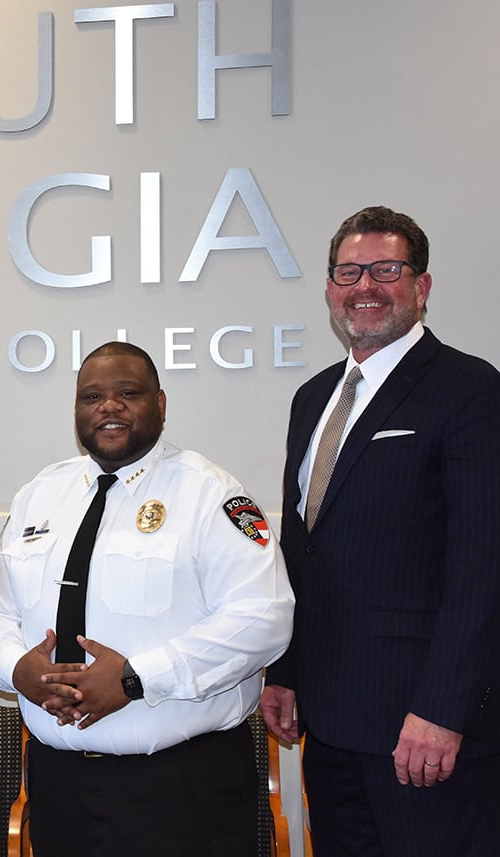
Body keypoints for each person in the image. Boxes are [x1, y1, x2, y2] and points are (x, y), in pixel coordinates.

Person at [0, 341, 294, 856]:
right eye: (93, 396)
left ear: (161, 404)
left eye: (128, 393)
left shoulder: (210, 494)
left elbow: (263, 619)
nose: (109, 406)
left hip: (182, 789)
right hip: (60, 787)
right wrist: (17, 669)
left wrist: (136, 678)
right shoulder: (40, 493)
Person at [260, 206, 500, 855]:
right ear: (331, 288)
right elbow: (300, 551)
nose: (364, 285)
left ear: (421, 286)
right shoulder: (314, 398)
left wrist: (441, 710)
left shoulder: (470, 389)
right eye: (348, 271)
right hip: (329, 722)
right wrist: (284, 670)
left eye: (386, 269)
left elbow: (482, 567)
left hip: (420, 729)